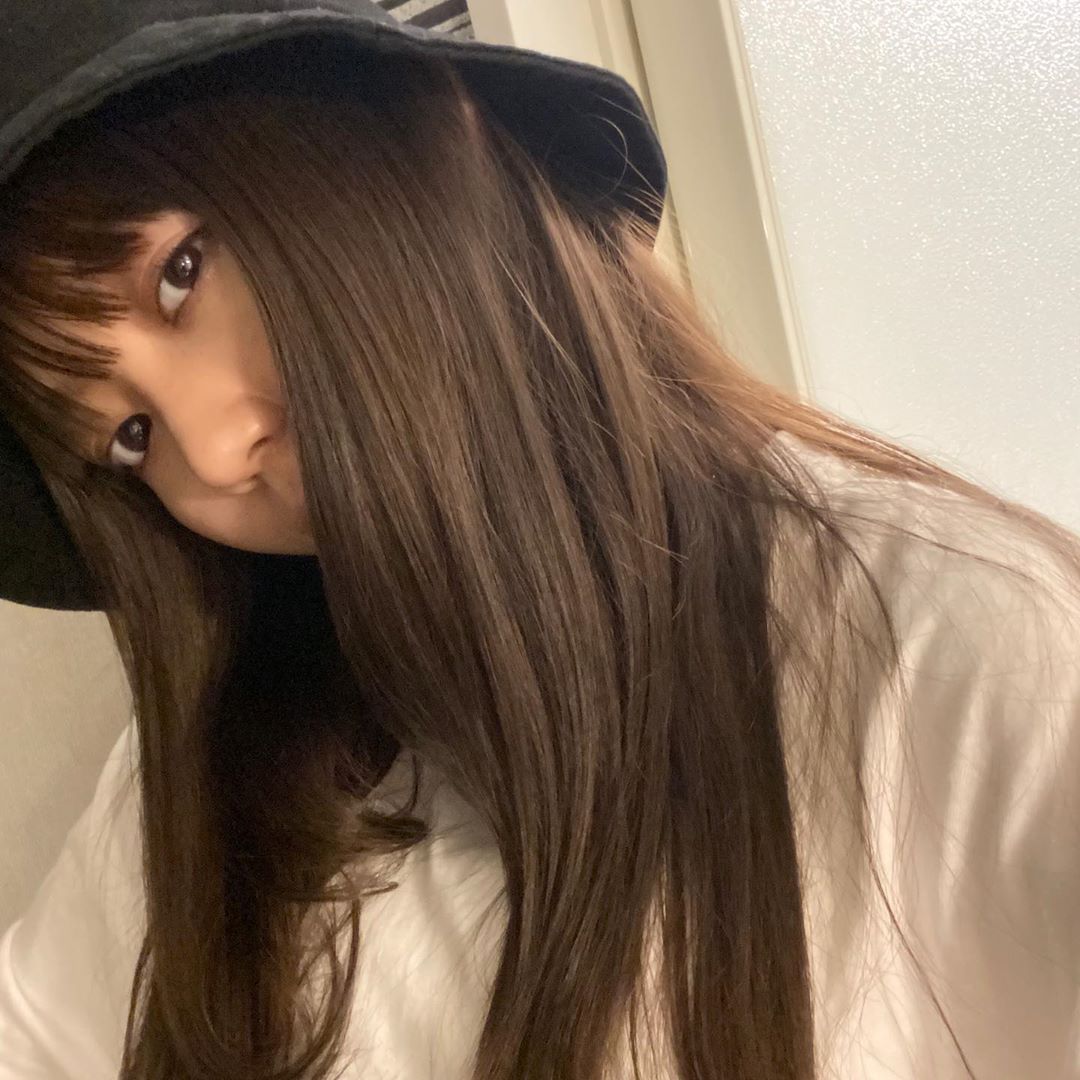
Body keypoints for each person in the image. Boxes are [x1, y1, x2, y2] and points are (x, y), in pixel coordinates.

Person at [0, 3, 1077, 1079]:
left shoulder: (966, 658)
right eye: (129, 437)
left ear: (422, 141)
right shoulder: (211, 780)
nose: (212, 449)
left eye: (179, 273)